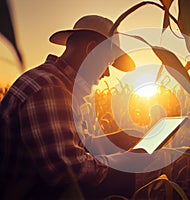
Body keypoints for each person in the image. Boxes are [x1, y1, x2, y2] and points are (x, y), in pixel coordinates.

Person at [0, 15, 144, 199]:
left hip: (36, 182)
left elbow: (76, 143)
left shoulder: (57, 82)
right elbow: (66, 169)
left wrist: (119, 139)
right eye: (108, 63)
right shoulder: (50, 88)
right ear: (91, 51)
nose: (107, 74)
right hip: (24, 193)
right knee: (125, 175)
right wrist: (125, 161)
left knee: (123, 143)